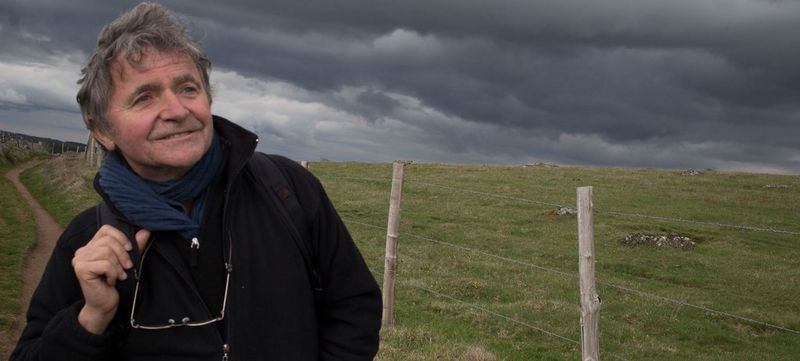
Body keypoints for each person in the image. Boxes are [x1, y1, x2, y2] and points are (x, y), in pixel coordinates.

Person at [10, 3, 381, 360]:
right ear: (102, 129)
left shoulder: (288, 191)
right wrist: (91, 319)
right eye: (144, 97)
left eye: (188, 88)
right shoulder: (86, 242)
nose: (176, 110)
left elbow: (354, 309)